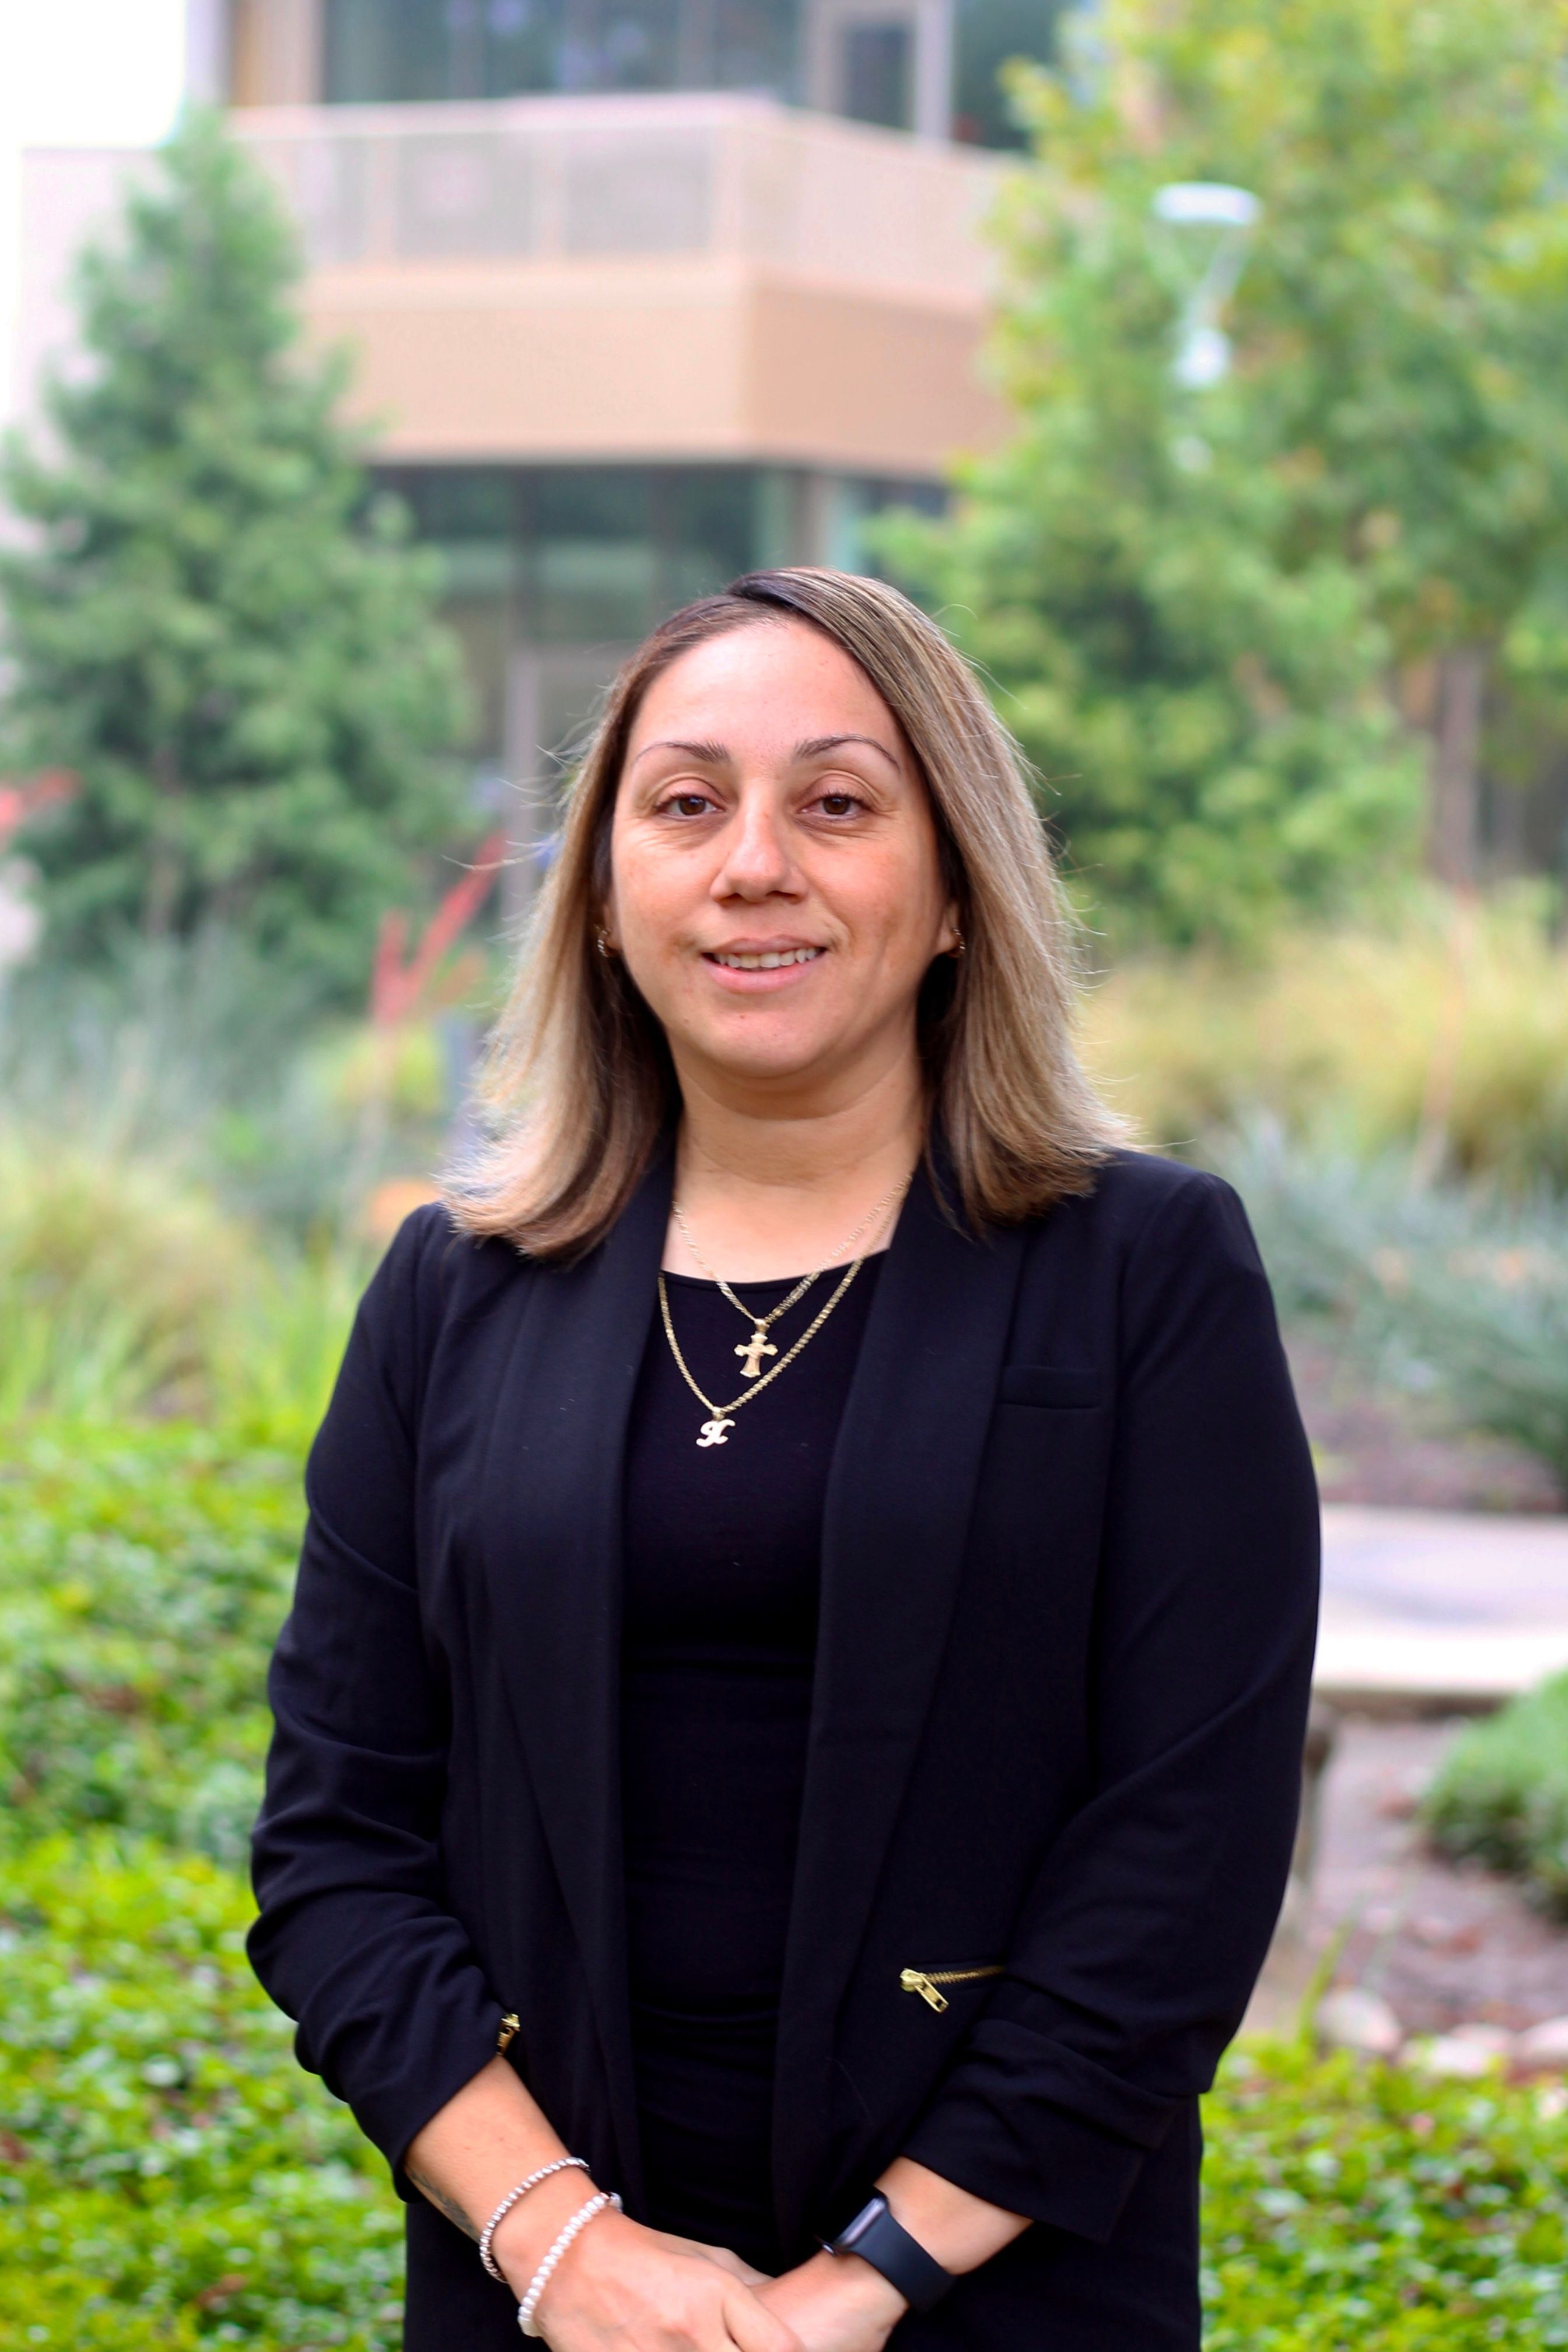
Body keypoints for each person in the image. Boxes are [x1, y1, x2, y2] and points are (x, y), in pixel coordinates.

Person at [249, 568, 1319, 2351]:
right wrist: (568, 2251)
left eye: (837, 802)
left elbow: (1187, 1853)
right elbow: (337, 1845)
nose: (755, 863)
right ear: (602, 901)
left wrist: (868, 2281)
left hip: (1013, 2282)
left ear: (960, 887)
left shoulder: (1144, 1274)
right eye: (686, 805)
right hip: (544, 2301)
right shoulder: (453, 1297)